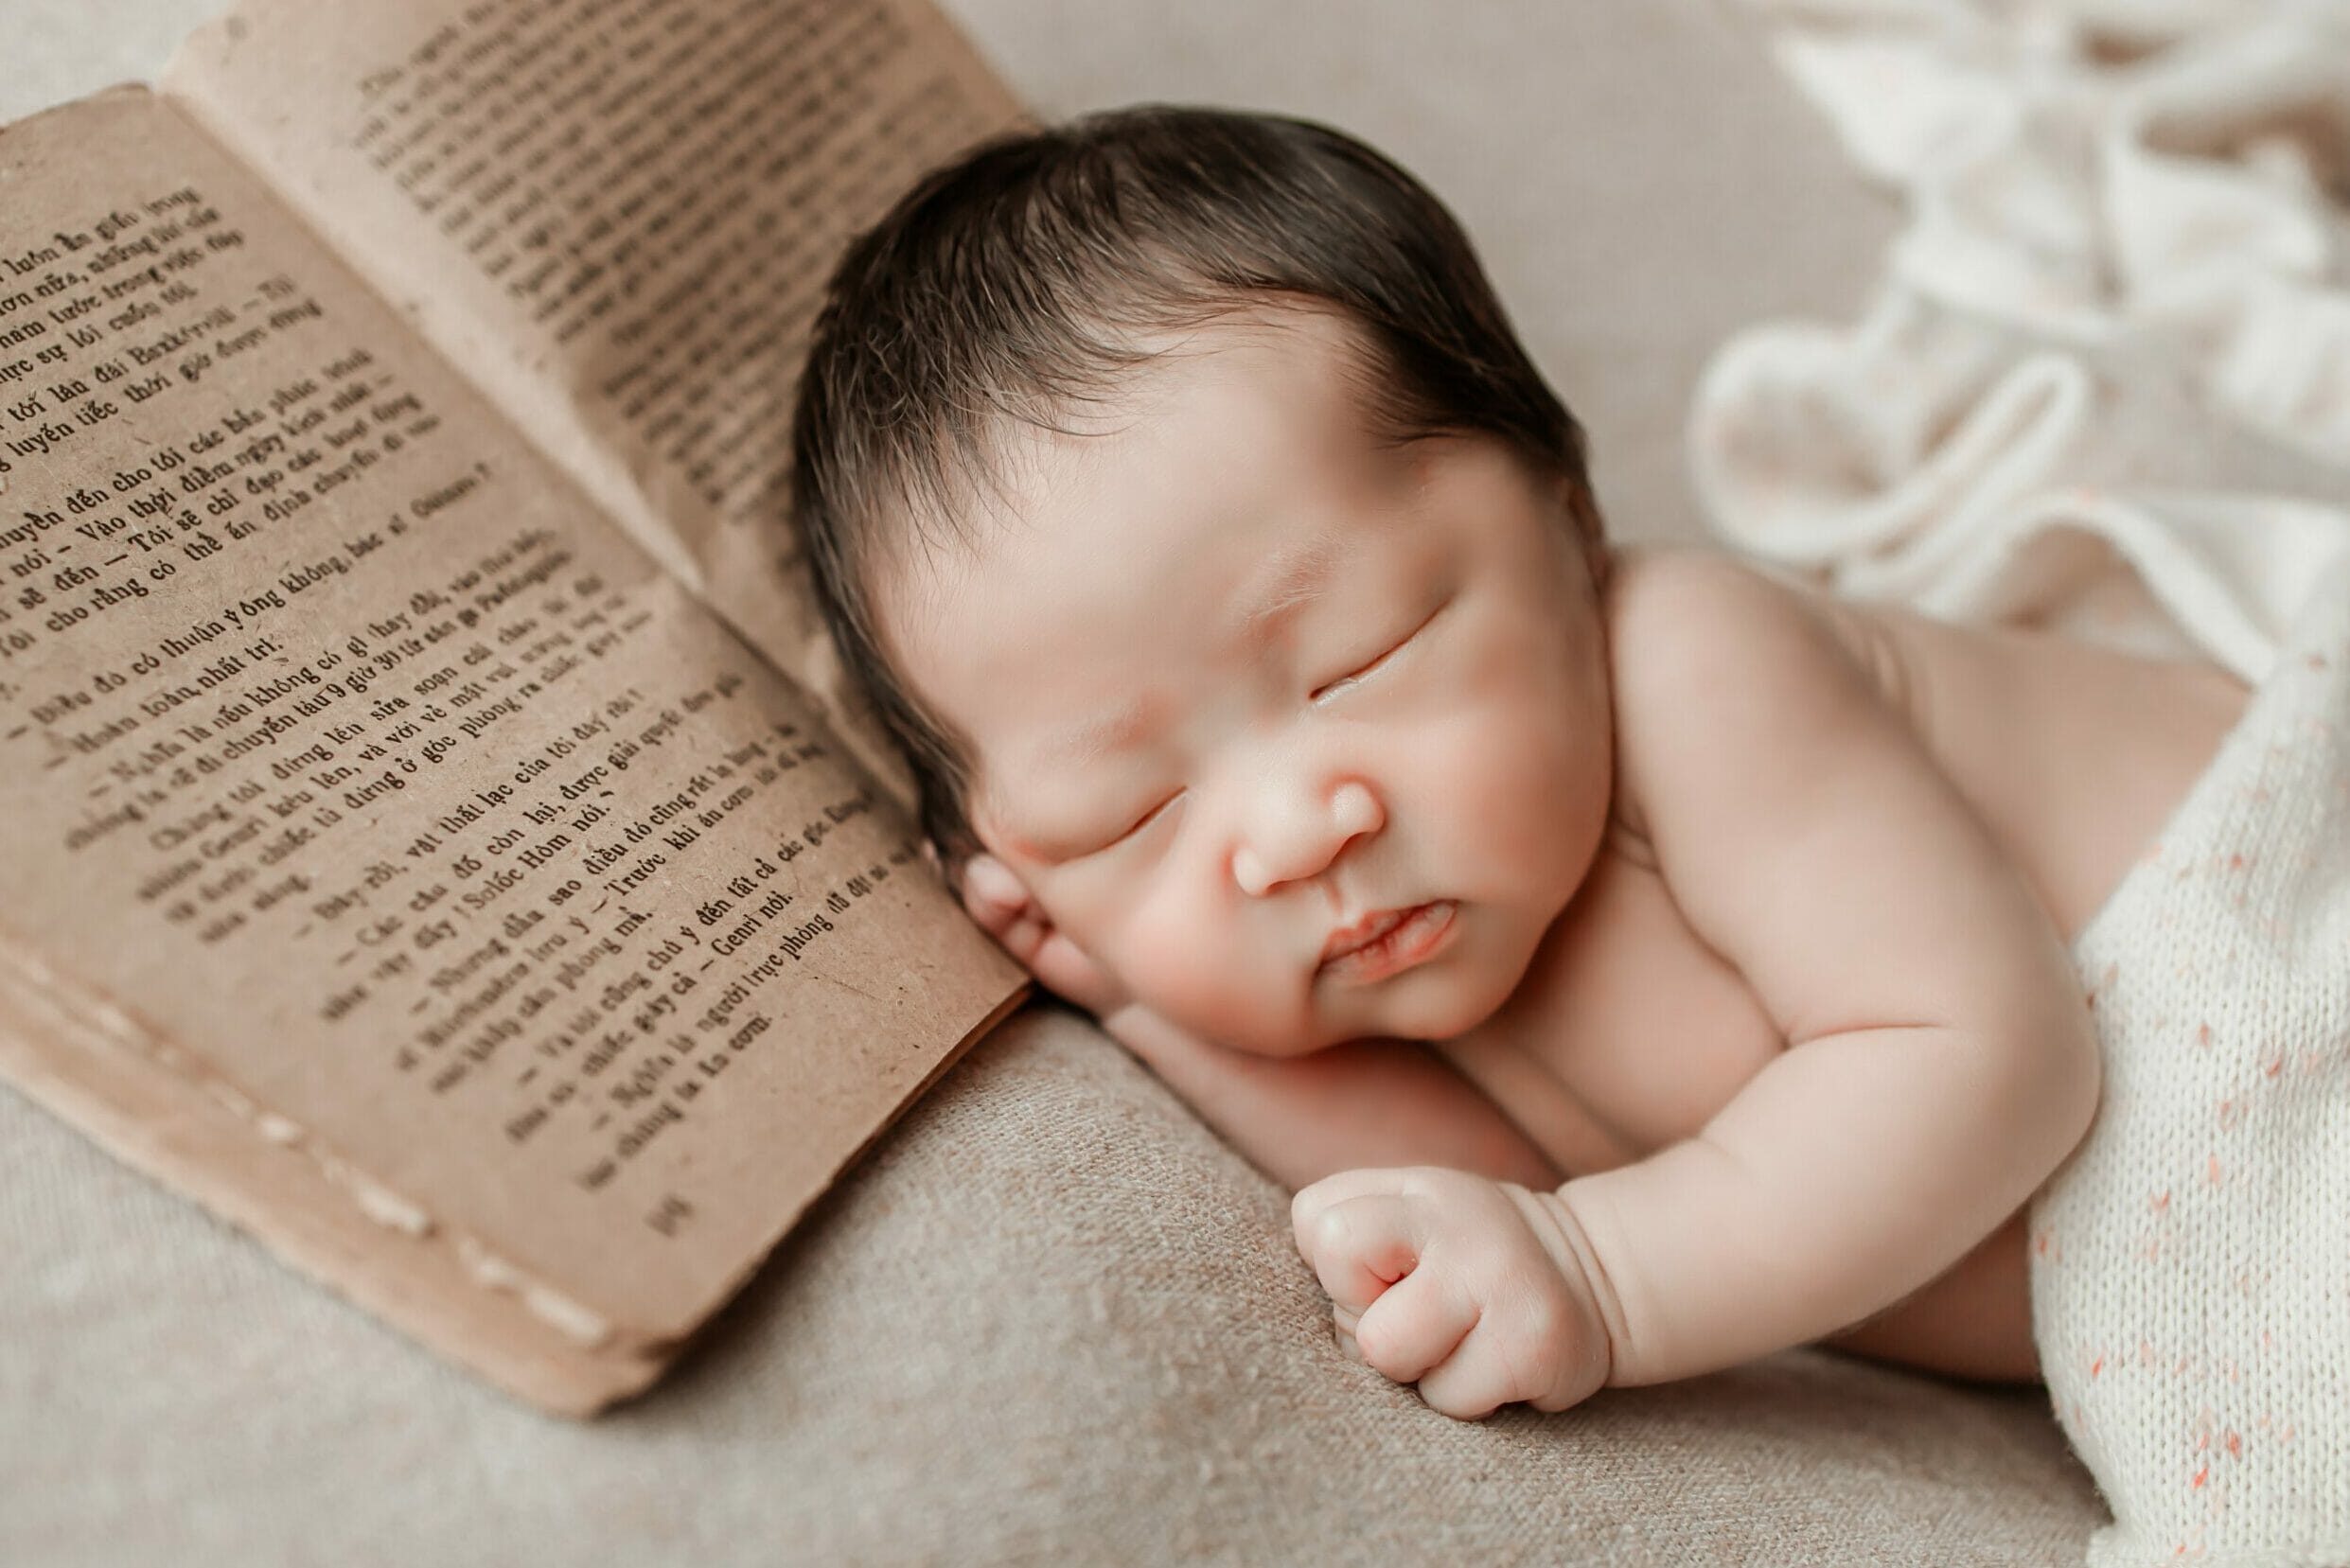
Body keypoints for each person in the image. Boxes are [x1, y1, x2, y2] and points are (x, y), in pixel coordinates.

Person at [786, 105, 2249, 1419]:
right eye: (1129, 811)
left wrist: (1608, 1278)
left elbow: (1994, 1055)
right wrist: (1153, 1005)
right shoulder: (1393, 942)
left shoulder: (1691, 669)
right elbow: (1471, 1193)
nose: (1291, 835)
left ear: (1567, 514)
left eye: (1357, 655)